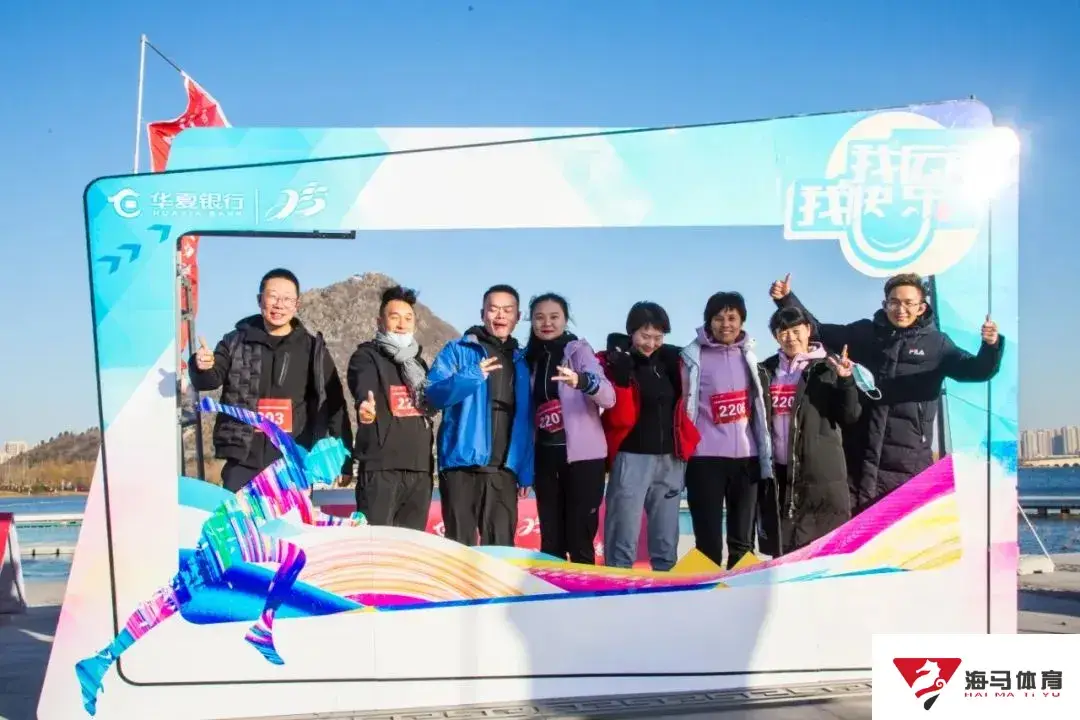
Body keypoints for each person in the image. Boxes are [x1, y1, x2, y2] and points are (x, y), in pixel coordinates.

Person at [769, 271, 1004, 511]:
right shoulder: (863, 334)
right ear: (885, 304)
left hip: (908, 464)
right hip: (857, 459)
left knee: (902, 531)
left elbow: (977, 370)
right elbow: (818, 330)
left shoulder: (937, 345)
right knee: (855, 529)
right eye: (894, 302)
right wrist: (786, 300)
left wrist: (991, 346)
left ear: (921, 307)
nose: (901, 309)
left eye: (909, 303)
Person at [190, 268, 352, 492]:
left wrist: (344, 459)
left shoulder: (313, 349)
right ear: (260, 300)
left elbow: (334, 404)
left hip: (293, 462)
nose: (279, 305)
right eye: (273, 296)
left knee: (292, 516)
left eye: (287, 299)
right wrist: (201, 365)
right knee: (241, 515)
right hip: (243, 458)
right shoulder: (235, 342)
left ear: (296, 305)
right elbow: (209, 380)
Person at [425, 284, 534, 546]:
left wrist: (525, 470)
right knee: (459, 547)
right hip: (461, 467)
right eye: (493, 309)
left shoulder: (522, 360)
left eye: (508, 310)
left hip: (504, 471)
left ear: (518, 317)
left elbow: (527, 420)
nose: (500, 315)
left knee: (501, 550)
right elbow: (434, 395)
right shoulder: (458, 349)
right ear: (482, 313)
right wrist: (472, 374)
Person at [598, 302, 700, 572]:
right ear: (631, 332)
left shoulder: (671, 362)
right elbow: (615, 414)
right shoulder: (616, 363)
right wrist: (620, 373)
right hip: (631, 457)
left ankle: (665, 584)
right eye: (645, 336)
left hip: (670, 459)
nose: (651, 343)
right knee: (623, 531)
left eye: (658, 337)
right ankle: (617, 583)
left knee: (666, 535)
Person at [756, 306, 862, 556]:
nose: (790, 337)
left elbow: (850, 415)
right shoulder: (766, 370)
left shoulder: (827, 367)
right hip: (780, 473)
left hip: (819, 474)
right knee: (783, 552)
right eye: (783, 332)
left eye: (796, 330)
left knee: (821, 552)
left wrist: (846, 381)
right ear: (776, 336)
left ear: (808, 330)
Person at [680, 292, 773, 570]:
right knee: (707, 544)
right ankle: (706, 593)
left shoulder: (751, 358)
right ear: (709, 322)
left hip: (747, 459)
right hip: (705, 460)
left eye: (732, 318)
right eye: (718, 318)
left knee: (743, 544)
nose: (726, 324)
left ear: (742, 321)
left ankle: (742, 592)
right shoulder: (692, 357)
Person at [525, 293, 614, 564]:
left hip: (583, 460)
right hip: (545, 459)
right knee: (551, 541)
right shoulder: (529, 359)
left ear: (566, 319)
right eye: (539, 317)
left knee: (580, 540)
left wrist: (582, 382)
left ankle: (584, 590)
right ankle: (551, 590)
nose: (547, 323)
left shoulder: (578, 352)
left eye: (554, 317)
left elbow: (609, 397)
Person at [346, 285, 436, 530]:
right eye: (394, 317)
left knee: (410, 546)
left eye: (408, 318)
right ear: (380, 322)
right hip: (381, 469)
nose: (401, 324)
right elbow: (363, 385)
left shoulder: (419, 365)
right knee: (376, 544)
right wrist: (365, 405)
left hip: (419, 469)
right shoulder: (366, 356)